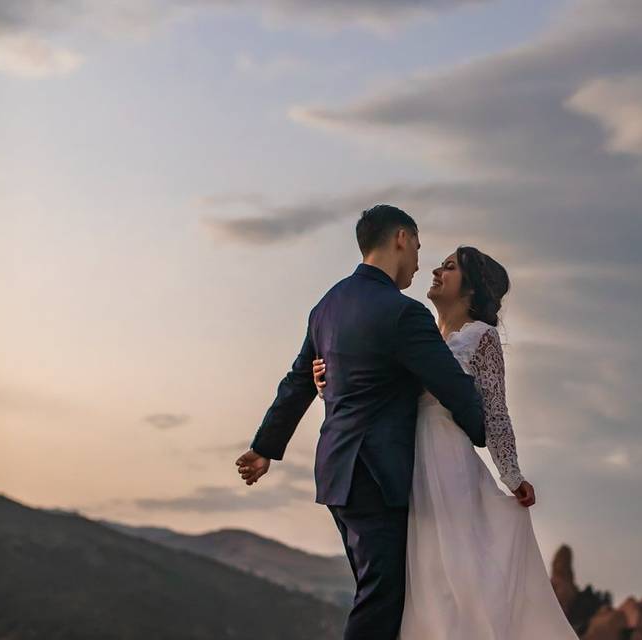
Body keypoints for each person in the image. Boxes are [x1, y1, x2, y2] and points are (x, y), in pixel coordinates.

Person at [235, 204, 487, 640]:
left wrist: (264, 448)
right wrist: (484, 432)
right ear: (401, 239)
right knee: (382, 597)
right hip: (377, 475)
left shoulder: (327, 306)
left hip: (337, 472)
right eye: (419, 248)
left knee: (382, 592)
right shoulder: (403, 313)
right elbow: (451, 384)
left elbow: (297, 380)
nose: (418, 262)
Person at [312, 246, 578, 639]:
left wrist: (512, 474)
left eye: (449, 267)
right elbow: (373, 388)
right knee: (416, 580)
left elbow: (495, 410)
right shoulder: (416, 333)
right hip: (402, 460)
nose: (436, 270)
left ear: (471, 289)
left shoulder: (481, 338)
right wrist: (328, 383)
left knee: (452, 575)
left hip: (445, 461)